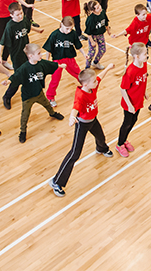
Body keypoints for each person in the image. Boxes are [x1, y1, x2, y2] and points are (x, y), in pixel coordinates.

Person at [49, 64, 115, 197]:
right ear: (85, 84)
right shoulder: (80, 95)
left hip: (93, 120)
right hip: (82, 124)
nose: (96, 82)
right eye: (93, 81)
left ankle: (101, 148)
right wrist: (72, 117)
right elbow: (75, 108)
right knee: (75, 153)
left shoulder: (92, 86)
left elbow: (99, 77)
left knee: (100, 137)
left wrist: (108, 68)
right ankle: (57, 181)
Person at [4, 44, 65, 143]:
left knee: (47, 104)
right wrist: (8, 81)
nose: (41, 55)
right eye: (39, 53)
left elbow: (51, 64)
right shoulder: (24, 68)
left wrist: (60, 65)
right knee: (25, 114)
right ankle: (23, 131)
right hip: (28, 97)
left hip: (39, 92)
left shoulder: (41, 63)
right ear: (30, 56)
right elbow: (16, 76)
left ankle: (53, 113)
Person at [44, 16, 86, 107]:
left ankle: (86, 87)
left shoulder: (73, 33)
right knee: (55, 79)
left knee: (78, 74)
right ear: (61, 24)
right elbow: (48, 49)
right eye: (67, 28)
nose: (69, 31)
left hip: (70, 59)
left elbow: (78, 45)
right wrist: (47, 61)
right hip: (57, 61)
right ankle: (50, 96)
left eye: (71, 28)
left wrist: (84, 54)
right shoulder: (54, 35)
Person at [115, 42, 148, 158]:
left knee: (134, 120)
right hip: (130, 103)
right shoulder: (130, 71)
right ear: (137, 56)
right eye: (145, 54)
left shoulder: (144, 64)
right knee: (127, 123)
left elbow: (144, 78)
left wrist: (145, 92)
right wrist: (129, 105)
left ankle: (124, 140)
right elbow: (123, 89)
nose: (147, 55)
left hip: (138, 101)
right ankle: (120, 144)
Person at [84, 0, 111, 70]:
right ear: (93, 11)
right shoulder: (90, 19)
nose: (100, 8)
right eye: (97, 7)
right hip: (93, 36)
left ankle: (95, 62)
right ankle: (87, 67)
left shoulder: (102, 12)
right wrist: (92, 41)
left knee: (103, 50)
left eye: (99, 5)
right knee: (91, 53)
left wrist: (108, 30)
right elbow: (88, 33)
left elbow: (106, 21)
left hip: (100, 34)